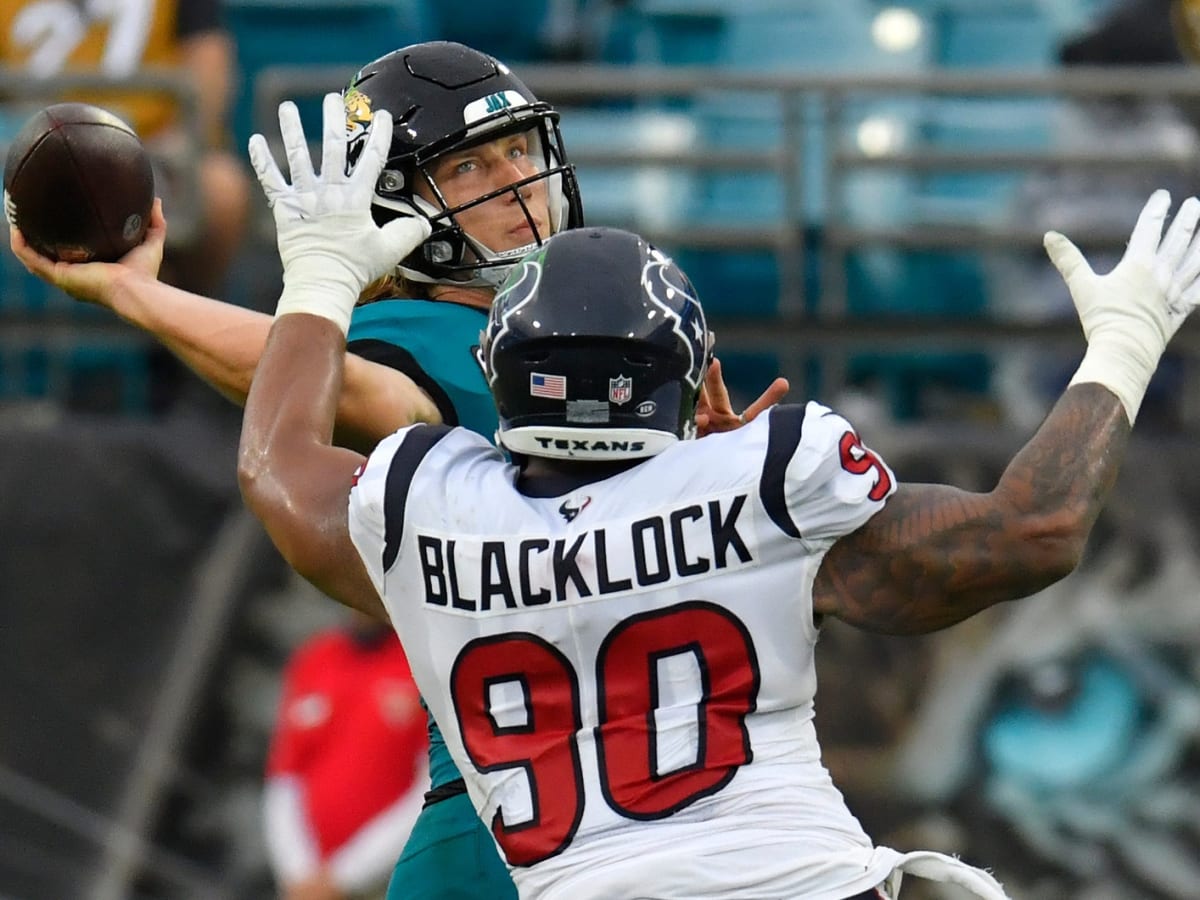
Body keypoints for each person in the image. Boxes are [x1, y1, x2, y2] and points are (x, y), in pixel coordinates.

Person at [236, 87, 1200, 899]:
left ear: (496, 373)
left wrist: (320, 278)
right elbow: (1032, 529)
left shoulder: (429, 503)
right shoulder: (764, 477)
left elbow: (276, 464)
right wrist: (1123, 345)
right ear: (693, 377)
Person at [9, 41, 786, 900]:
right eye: (468, 167)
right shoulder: (416, 339)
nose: (517, 182)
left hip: (675, 802)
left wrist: (713, 478)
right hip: (524, 816)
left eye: (520, 149)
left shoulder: (593, 323)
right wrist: (140, 293)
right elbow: (310, 372)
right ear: (389, 201)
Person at [0, 0, 251, 297]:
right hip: (21, 153)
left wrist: (177, 141)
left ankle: (175, 327)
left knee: (221, 188)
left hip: (148, 149)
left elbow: (208, 62)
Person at [264, 611, 427, 900]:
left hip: (387, 883)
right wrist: (301, 875)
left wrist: (345, 876)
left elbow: (430, 790)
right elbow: (284, 777)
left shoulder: (422, 663)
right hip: (304, 885)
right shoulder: (316, 658)